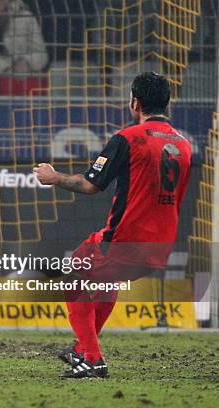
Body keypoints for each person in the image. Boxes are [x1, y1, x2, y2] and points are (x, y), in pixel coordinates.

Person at [34, 72, 191, 378]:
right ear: (168, 103)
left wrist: (54, 178)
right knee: (107, 282)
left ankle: (91, 357)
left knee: (73, 276)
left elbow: (91, 185)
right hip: (161, 245)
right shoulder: (184, 145)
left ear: (135, 102)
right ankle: (83, 350)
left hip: (124, 239)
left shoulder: (129, 138)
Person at [0, 0, 49, 94]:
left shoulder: (26, 17)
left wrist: (26, 62)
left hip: (25, 81)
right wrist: (5, 68)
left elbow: (41, 53)